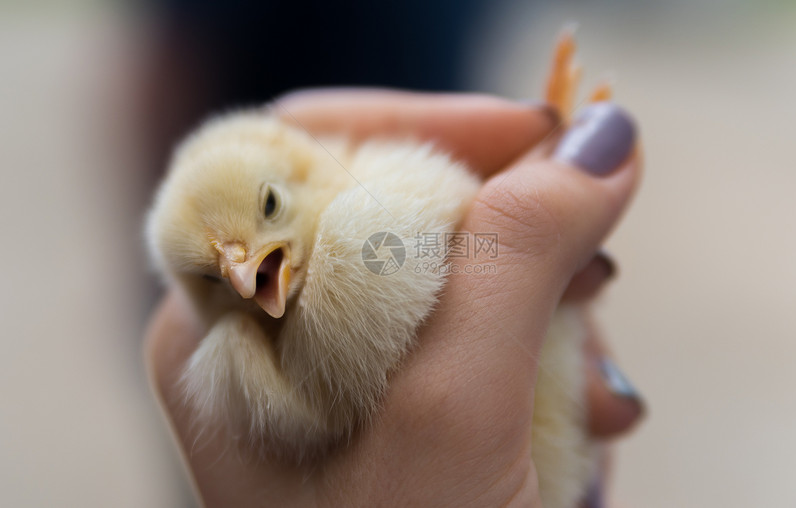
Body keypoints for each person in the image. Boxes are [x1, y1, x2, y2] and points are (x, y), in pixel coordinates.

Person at [144, 89, 644, 507]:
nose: (243, 276)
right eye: (216, 278)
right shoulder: (250, 365)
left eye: (270, 206)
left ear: (297, 176)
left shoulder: (360, 215)